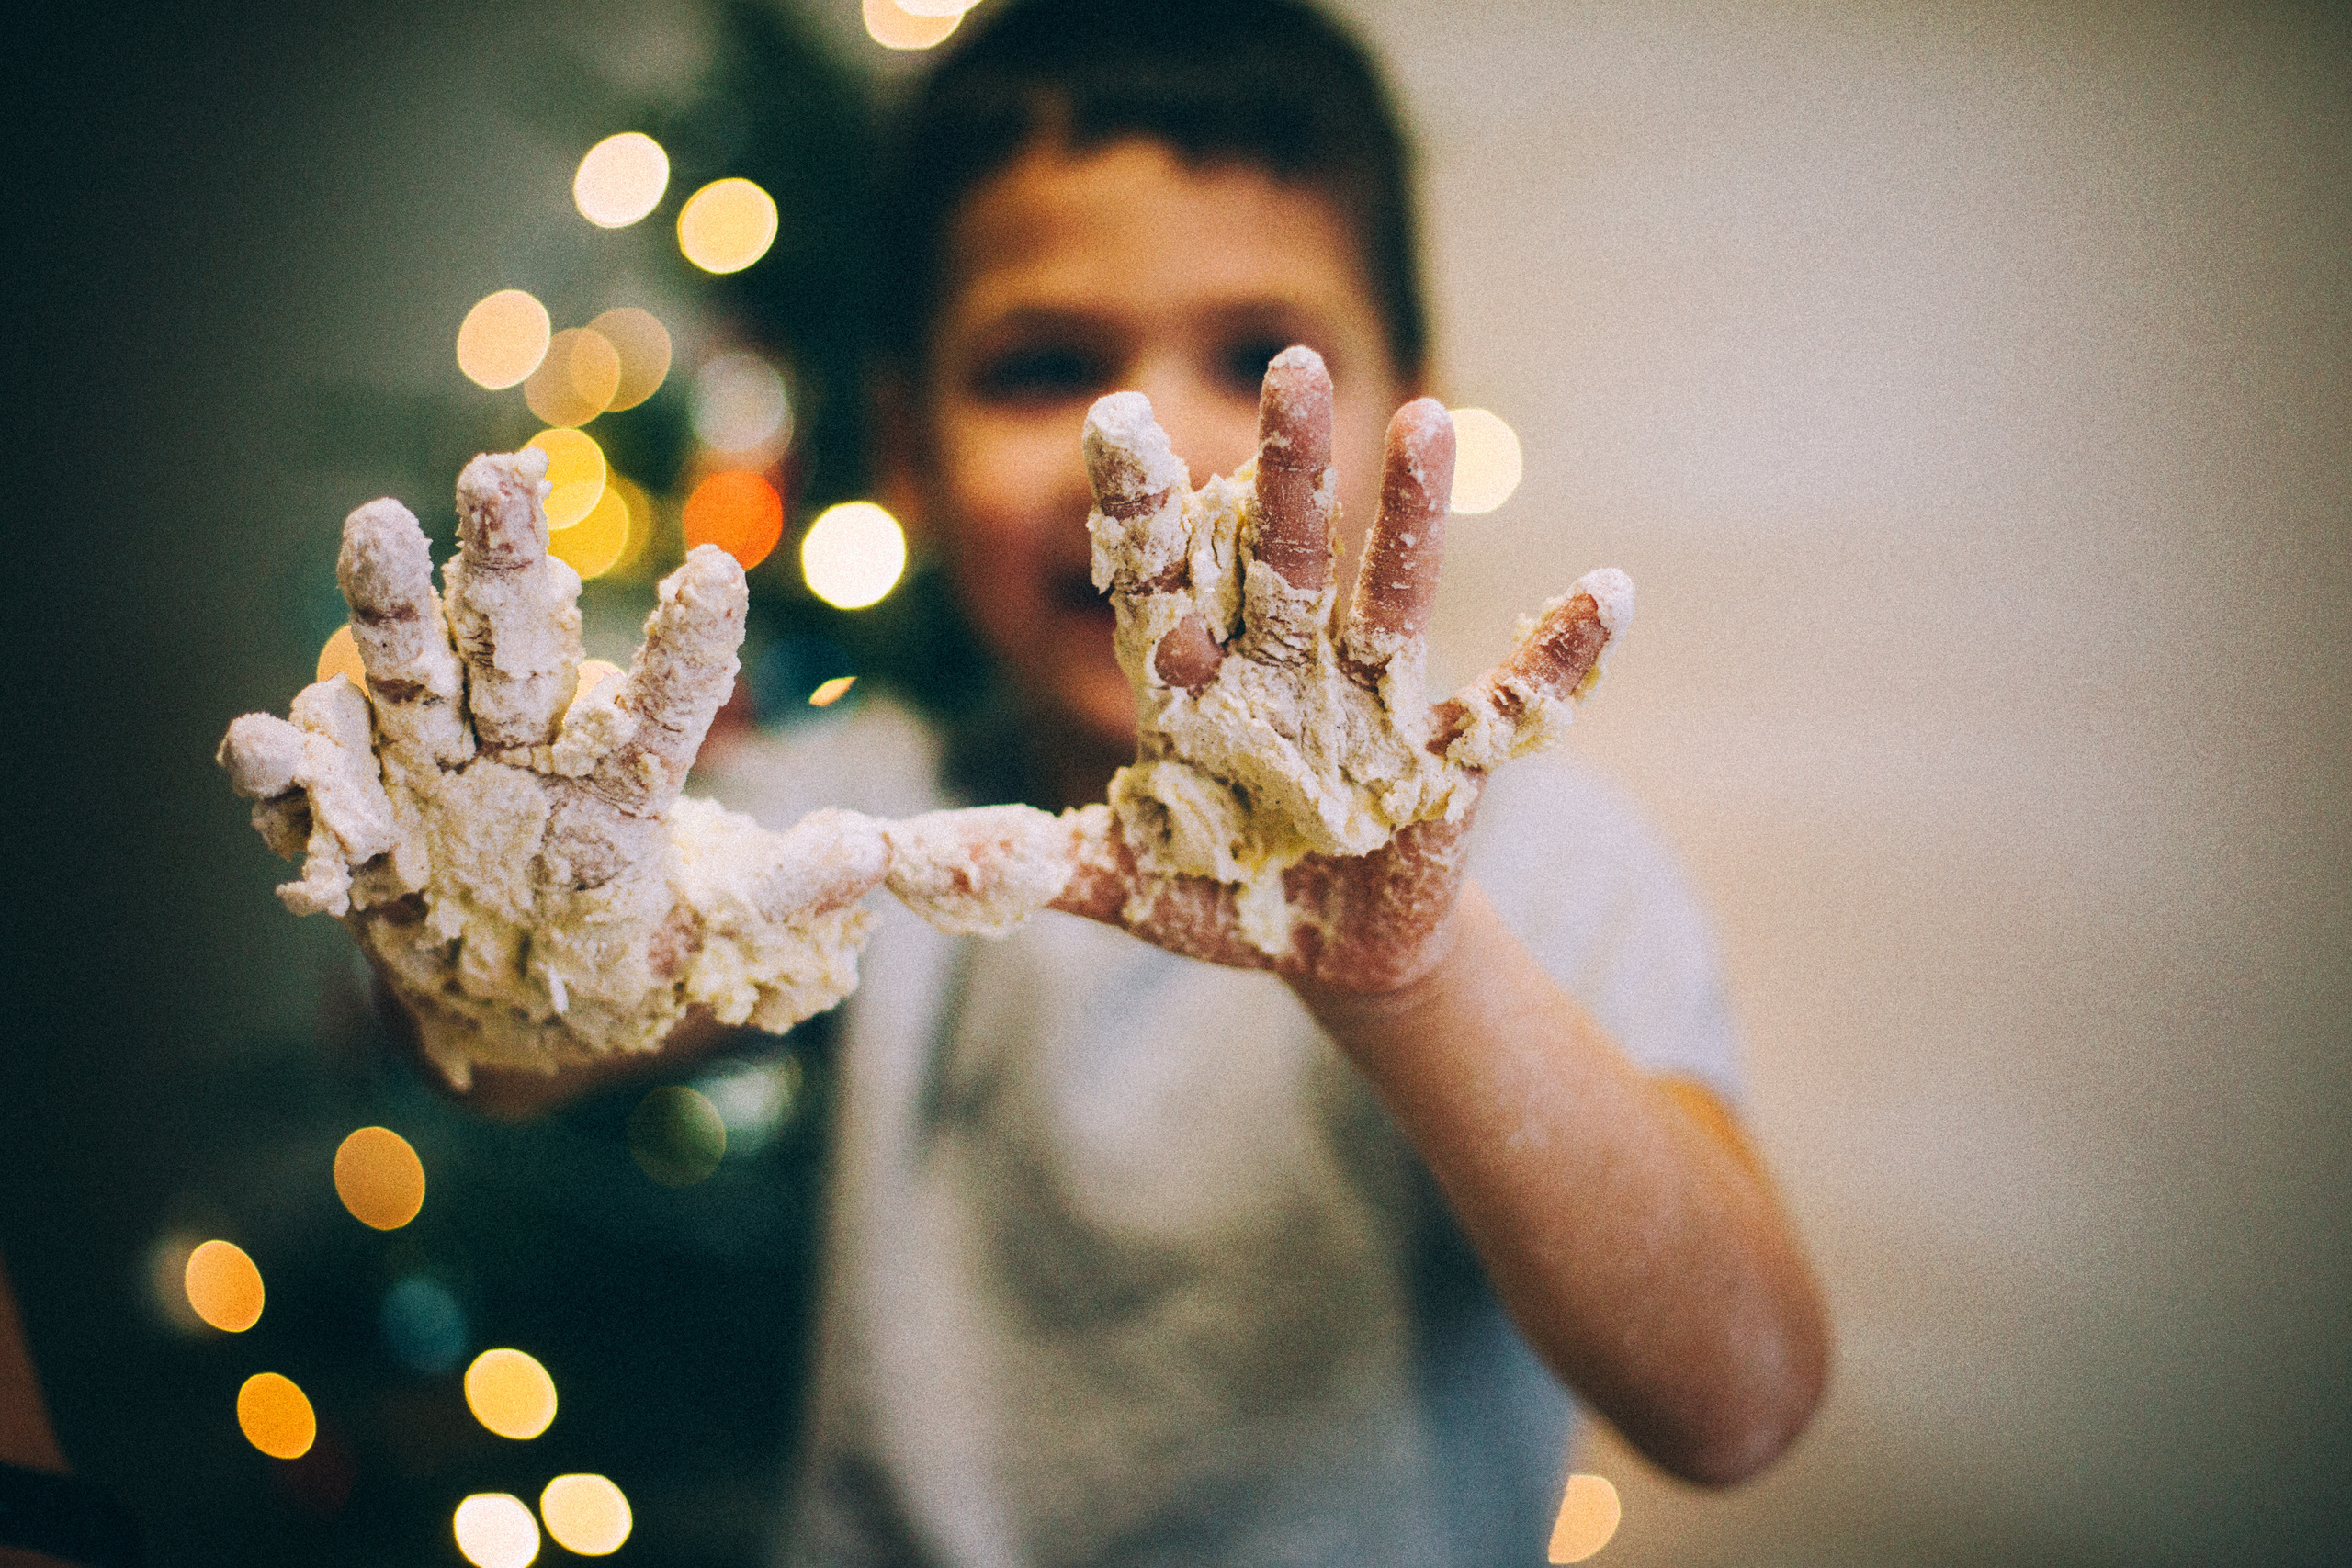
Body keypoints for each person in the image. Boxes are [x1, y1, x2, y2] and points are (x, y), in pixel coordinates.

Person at [288, 1, 1826, 1561]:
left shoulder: (1540, 865)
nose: (1146, 449)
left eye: (1258, 359)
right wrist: (506, 945)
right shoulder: (878, 804)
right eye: (1044, 370)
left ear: (1403, 400)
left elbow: (1740, 1398)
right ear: (907, 448)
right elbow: (482, 1052)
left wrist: (1418, 978)